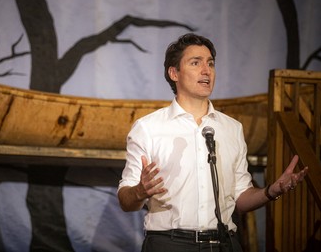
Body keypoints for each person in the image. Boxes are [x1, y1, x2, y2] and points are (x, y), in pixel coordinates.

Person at [117, 33, 308, 252]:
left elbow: (241, 197)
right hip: (169, 244)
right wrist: (140, 191)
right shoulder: (148, 128)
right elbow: (125, 200)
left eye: (210, 63)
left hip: (225, 244)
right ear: (174, 73)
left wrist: (271, 191)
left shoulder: (232, 129)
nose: (206, 71)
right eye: (195, 63)